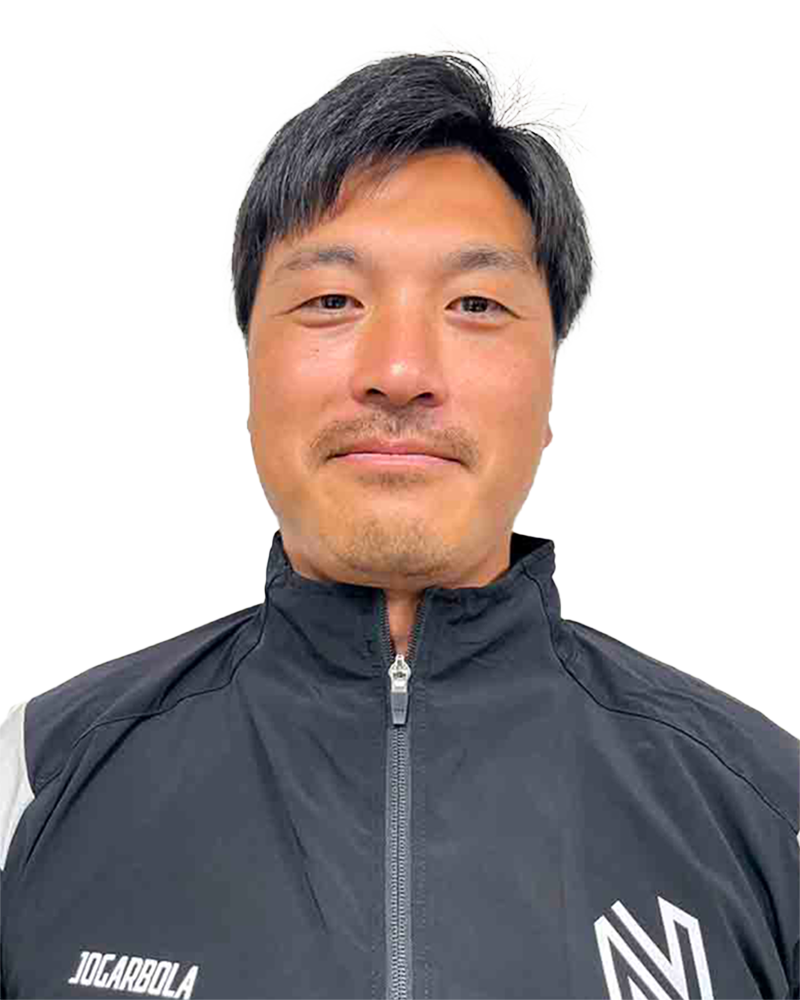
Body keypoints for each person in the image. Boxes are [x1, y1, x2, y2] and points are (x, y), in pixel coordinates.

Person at [1, 47, 798, 1000]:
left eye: (476, 303)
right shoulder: (39, 782)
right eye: (331, 300)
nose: (399, 371)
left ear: (548, 392)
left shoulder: (763, 808)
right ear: (252, 379)